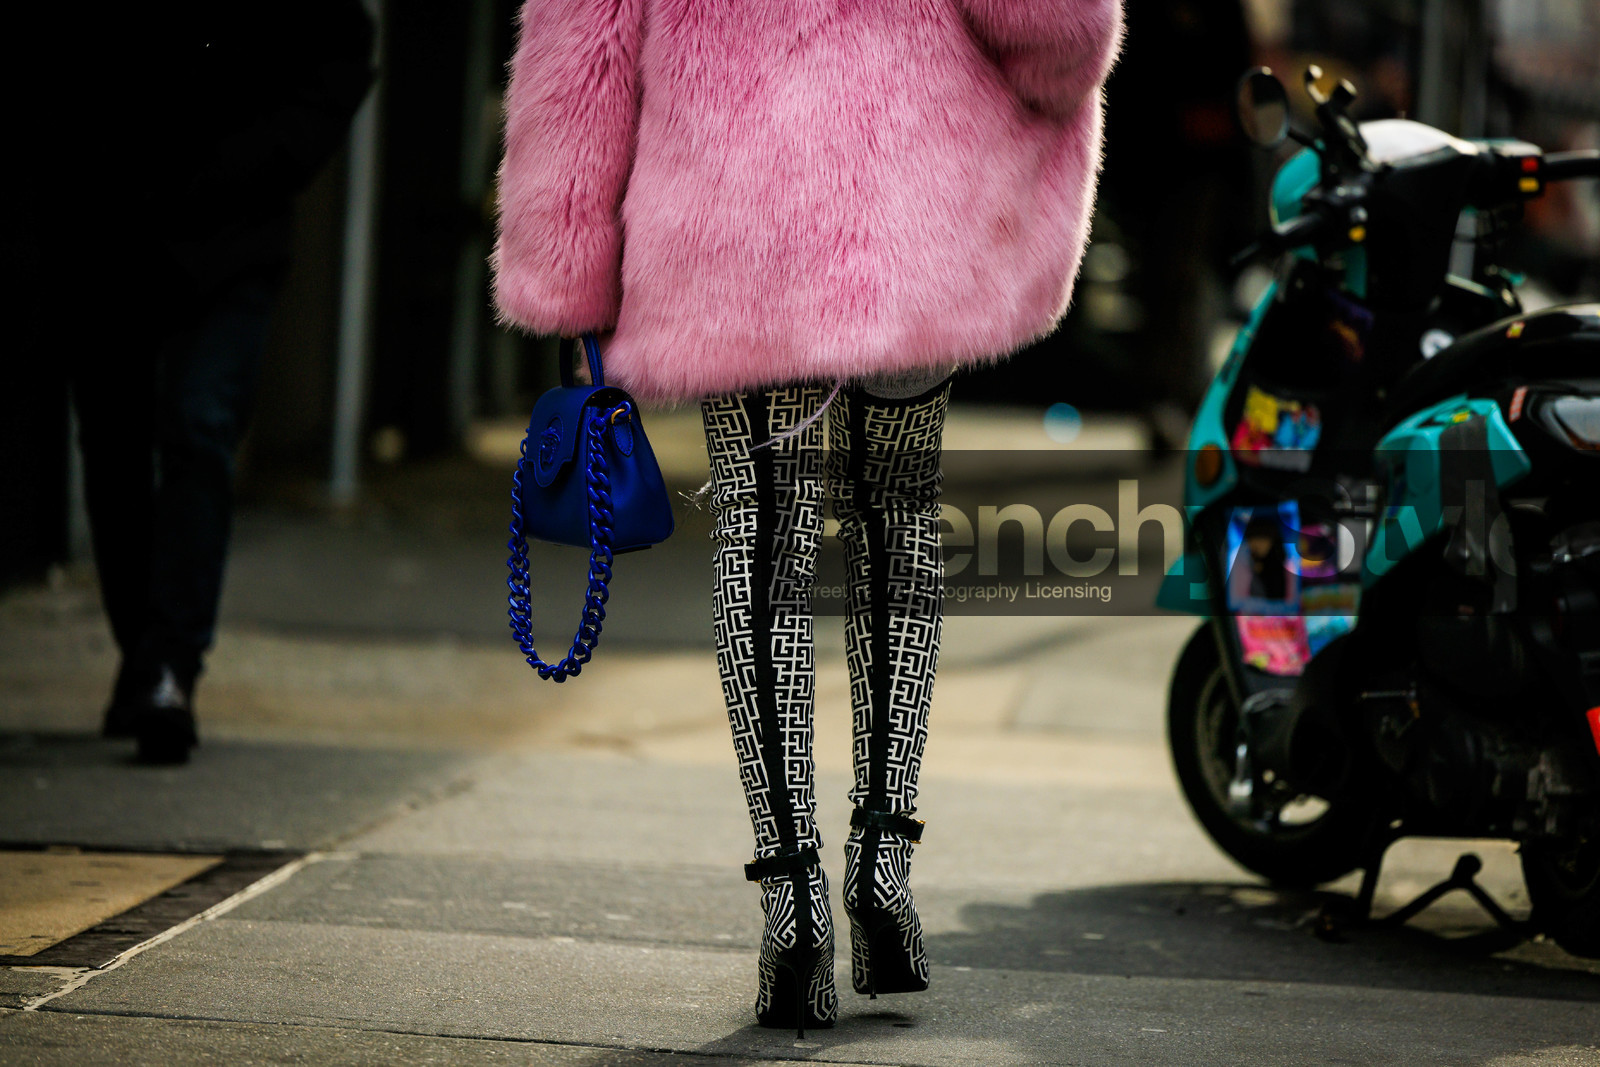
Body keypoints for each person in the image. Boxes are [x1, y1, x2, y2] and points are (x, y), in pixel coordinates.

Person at [493, 0, 1121, 1035]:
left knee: (760, 539)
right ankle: (883, 862)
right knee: (895, 527)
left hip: (733, 217)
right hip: (913, 200)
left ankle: (791, 906)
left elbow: (585, 51)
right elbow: (1055, 31)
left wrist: (568, 271)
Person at [38, 3, 374, 763]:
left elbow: (342, 47)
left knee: (198, 423)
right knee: (113, 437)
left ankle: (168, 669)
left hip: (234, 234)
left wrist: (271, 161)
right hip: (107, 220)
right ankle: (146, 652)